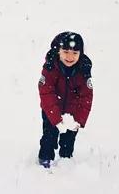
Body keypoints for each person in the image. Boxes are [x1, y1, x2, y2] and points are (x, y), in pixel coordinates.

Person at [37, 31, 93, 168]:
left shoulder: (83, 70)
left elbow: (86, 96)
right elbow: (46, 93)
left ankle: (66, 160)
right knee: (49, 136)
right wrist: (56, 118)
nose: (70, 57)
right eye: (66, 52)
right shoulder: (50, 68)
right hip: (52, 111)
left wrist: (79, 120)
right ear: (58, 51)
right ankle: (45, 159)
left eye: (75, 53)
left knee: (69, 138)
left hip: (72, 113)